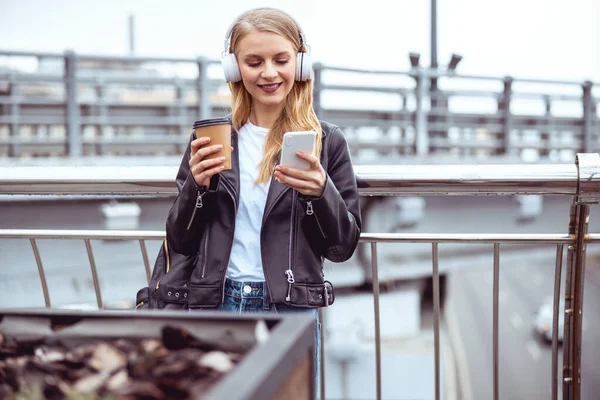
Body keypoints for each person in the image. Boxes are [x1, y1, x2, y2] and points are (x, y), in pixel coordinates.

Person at [165, 7, 361, 396]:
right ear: (234, 69)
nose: (268, 73)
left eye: (281, 60)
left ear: (301, 63)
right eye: (254, 62)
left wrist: (321, 191)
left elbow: (342, 247)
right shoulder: (214, 138)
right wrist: (197, 188)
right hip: (214, 304)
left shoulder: (327, 142)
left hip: (288, 308)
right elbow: (180, 241)